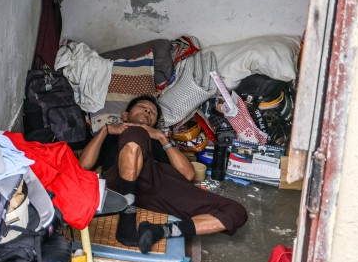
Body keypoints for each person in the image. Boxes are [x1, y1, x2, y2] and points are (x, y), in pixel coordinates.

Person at [78, 95, 248, 253]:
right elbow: (82, 166)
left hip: (155, 185)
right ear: (125, 115)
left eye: (152, 112)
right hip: (119, 185)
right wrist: (105, 131)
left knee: (235, 211)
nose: (147, 111)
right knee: (135, 133)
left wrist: (162, 138)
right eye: (142, 107)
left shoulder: (158, 139)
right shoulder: (110, 136)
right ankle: (127, 214)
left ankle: (160, 231)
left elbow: (188, 174)